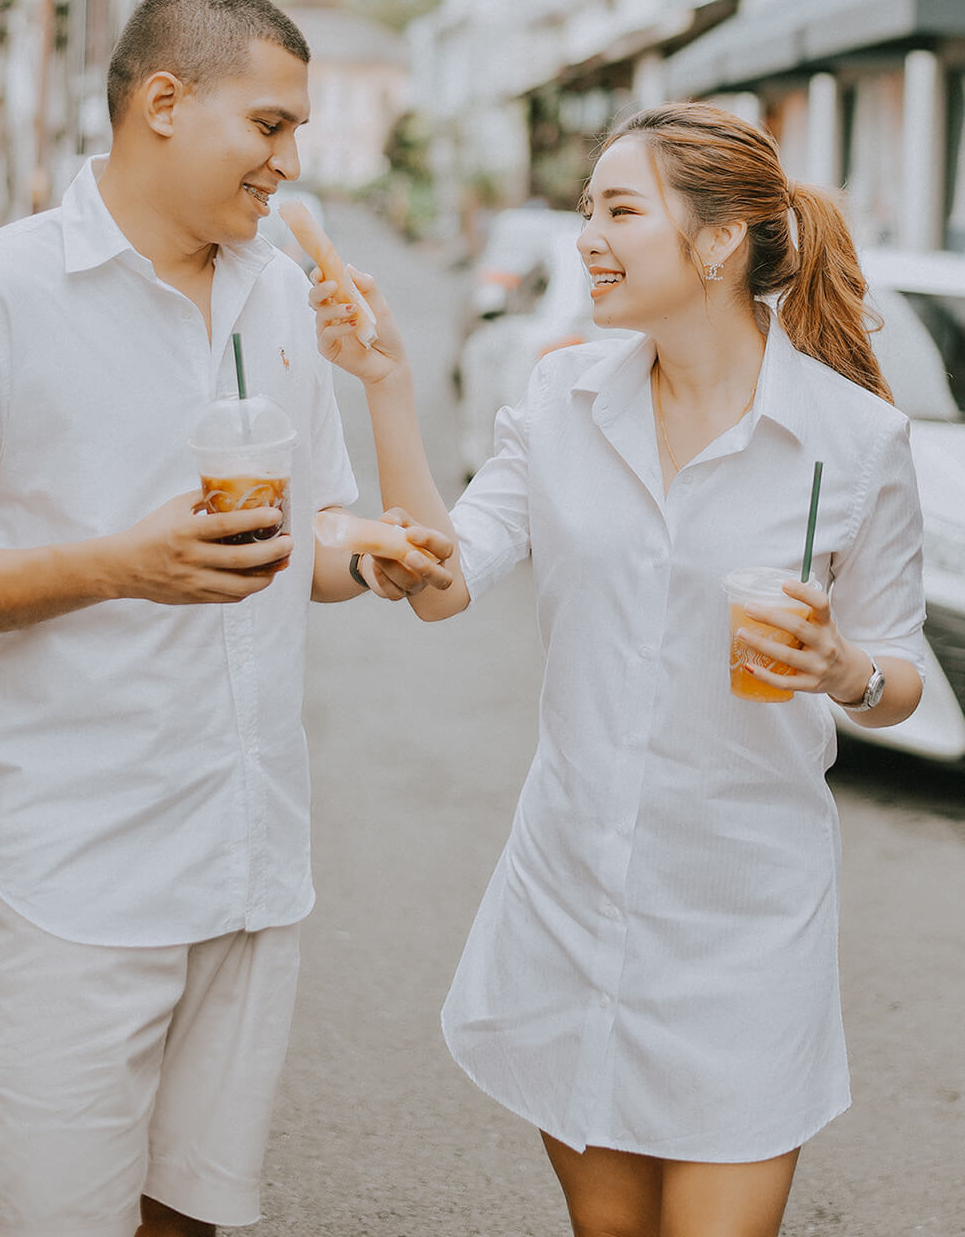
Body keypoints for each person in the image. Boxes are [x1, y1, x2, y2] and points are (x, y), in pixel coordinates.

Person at [315, 101, 926, 1237]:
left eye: (618, 209)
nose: (585, 235)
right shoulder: (560, 399)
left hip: (743, 922)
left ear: (713, 242)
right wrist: (387, 386)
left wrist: (842, 664)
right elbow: (443, 584)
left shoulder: (852, 444)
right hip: (574, 895)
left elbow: (903, 675)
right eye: (584, 207)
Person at [0, 0, 451, 1237]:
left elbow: (314, 540)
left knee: (189, 1216)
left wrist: (371, 551)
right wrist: (120, 563)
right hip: (67, 882)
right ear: (165, 102)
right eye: (273, 125)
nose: (295, 159)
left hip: (247, 867)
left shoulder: (280, 293)